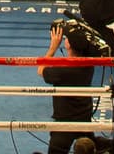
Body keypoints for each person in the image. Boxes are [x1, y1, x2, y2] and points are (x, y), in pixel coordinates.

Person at [40, 14, 97, 154]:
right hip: (84, 119)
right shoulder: (89, 63)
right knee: (89, 149)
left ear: (68, 45)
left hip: (65, 123)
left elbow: (41, 70)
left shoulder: (63, 71)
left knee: (56, 150)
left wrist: (53, 47)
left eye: (66, 38)